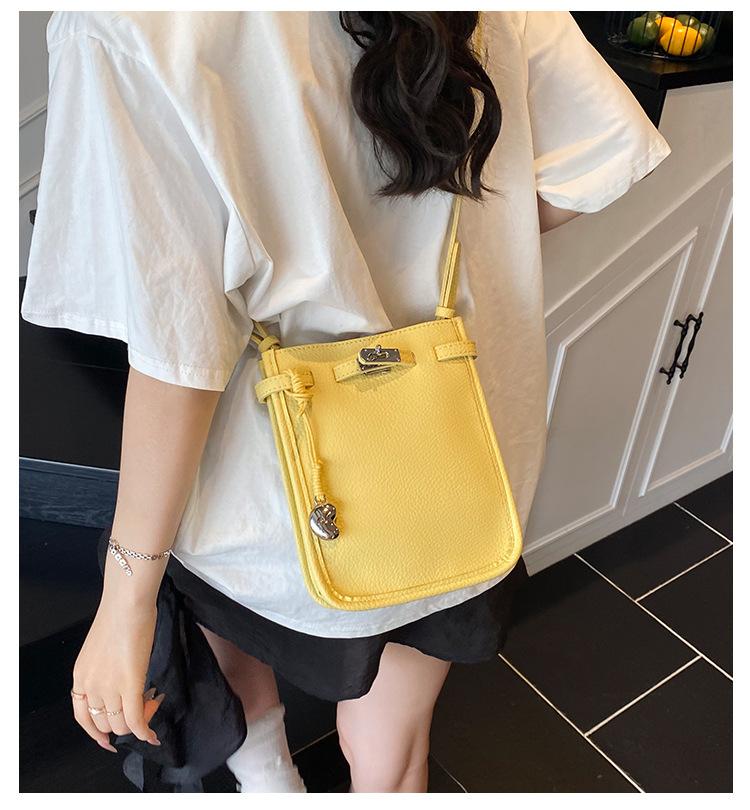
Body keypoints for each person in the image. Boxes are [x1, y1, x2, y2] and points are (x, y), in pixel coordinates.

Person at [21, 10, 671, 793]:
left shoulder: (125, 21)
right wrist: (441, 253)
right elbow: (597, 159)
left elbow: (178, 346)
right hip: (448, 454)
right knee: (394, 747)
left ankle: (271, 784)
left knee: (235, 639)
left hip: (262, 479)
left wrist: (126, 597)